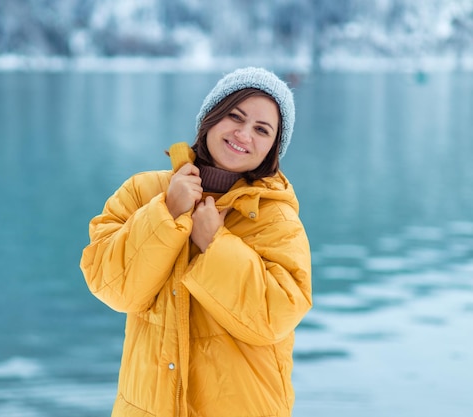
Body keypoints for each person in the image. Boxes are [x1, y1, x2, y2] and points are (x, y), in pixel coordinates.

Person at [80, 67, 312, 417]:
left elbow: (273, 317)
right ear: (210, 117)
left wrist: (214, 243)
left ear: (272, 149)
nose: (244, 134)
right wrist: (167, 213)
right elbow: (111, 286)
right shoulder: (143, 193)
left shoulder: (276, 219)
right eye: (235, 116)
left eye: (262, 130)